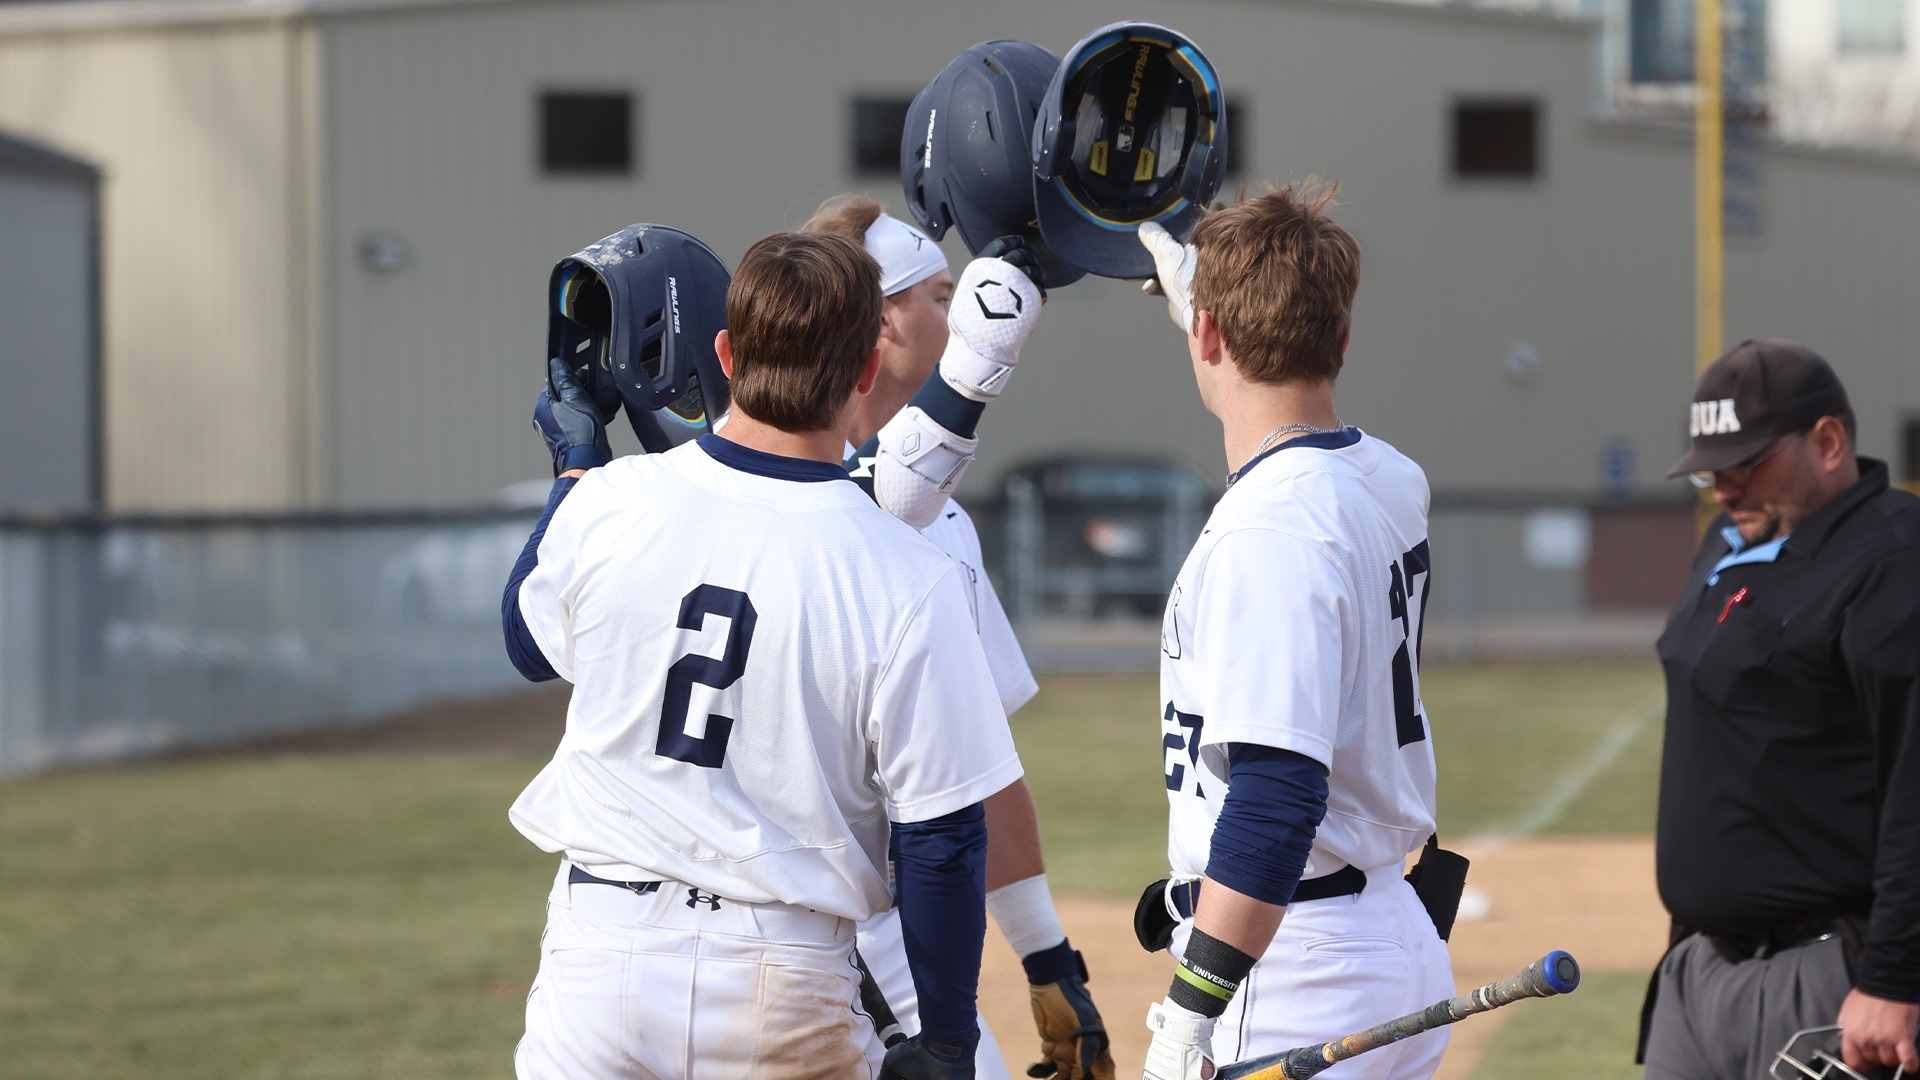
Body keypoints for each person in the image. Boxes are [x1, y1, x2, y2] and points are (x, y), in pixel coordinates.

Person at [501, 229, 1023, 1079]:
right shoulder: (907, 573)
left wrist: (576, 466)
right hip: (781, 976)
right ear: (866, 370)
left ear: (726, 355)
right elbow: (942, 839)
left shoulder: (612, 500)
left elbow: (527, 643)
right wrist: (947, 1041)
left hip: (599, 963)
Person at [1130, 183, 1456, 1080]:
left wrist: (1188, 1020)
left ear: (1206, 337)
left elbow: (1276, 798)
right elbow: (1280, 387)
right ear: (1341, 339)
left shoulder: (1269, 529)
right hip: (1387, 937)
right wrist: (1220, 315)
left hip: (1291, 966)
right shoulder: (1391, 477)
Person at [799, 193, 1116, 1080]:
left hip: (902, 928)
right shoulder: (797, 501)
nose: (958, 314)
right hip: (816, 925)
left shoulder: (947, 523)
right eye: (939, 296)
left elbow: (983, 764)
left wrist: (1047, 956)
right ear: (879, 324)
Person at [1640, 339, 1920, 1080]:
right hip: (1699, 966)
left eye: (1745, 463)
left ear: (1827, 443)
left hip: (1825, 975)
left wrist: (1894, 978)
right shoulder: (1732, 538)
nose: (1722, 488)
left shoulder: (1894, 560)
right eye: (1709, 470)